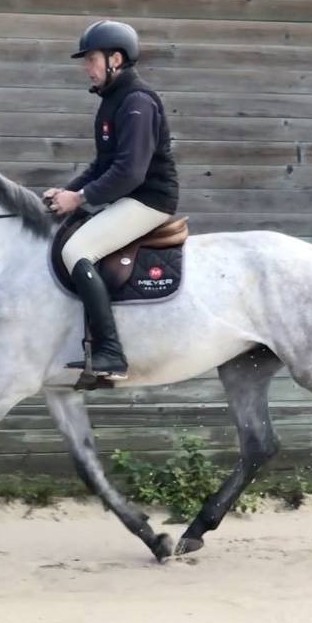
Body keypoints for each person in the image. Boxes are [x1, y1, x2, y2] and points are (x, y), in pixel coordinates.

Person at [44, 20, 180, 380]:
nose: (86, 69)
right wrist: (68, 192)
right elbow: (102, 165)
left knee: (76, 251)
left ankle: (110, 353)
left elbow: (130, 171)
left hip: (150, 200)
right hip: (129, 198)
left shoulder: (137, 102)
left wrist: (81, 198)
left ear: (115, 59)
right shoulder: (111, 102)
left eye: (91, 60)